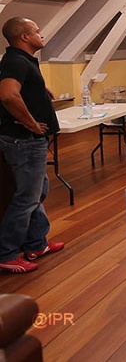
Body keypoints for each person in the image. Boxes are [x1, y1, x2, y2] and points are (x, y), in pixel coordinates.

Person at [0, 18, 65, 273]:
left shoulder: (21, 61)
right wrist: (32, 124)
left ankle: (36, 243)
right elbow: (7, 94)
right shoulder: (16, 61)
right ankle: (6, 253)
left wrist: (40, 89)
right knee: (26, 197)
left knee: (38, 192)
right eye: (37, 31)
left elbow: (19, 87)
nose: (42, 34)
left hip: (31, 141)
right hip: (24, 141)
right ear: (24, 37)